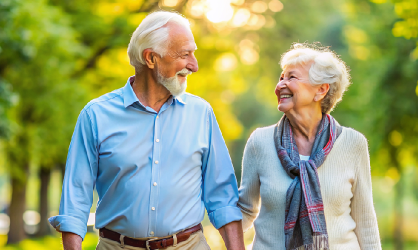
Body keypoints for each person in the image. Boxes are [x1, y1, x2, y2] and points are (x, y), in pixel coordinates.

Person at [49, 11, 244, 250]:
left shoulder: (201, 113)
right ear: (151, 58)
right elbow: (75, 202)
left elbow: (222, 197)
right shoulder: (96, 115)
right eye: (185, 55)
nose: (194, 65)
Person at [237, 43, 382, 250]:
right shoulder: (260, 142)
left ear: (321, 90)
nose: (280, 85)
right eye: (281, 78)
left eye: (291, 78)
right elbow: (244, 209)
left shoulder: (353, 143)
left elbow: (365, 220)